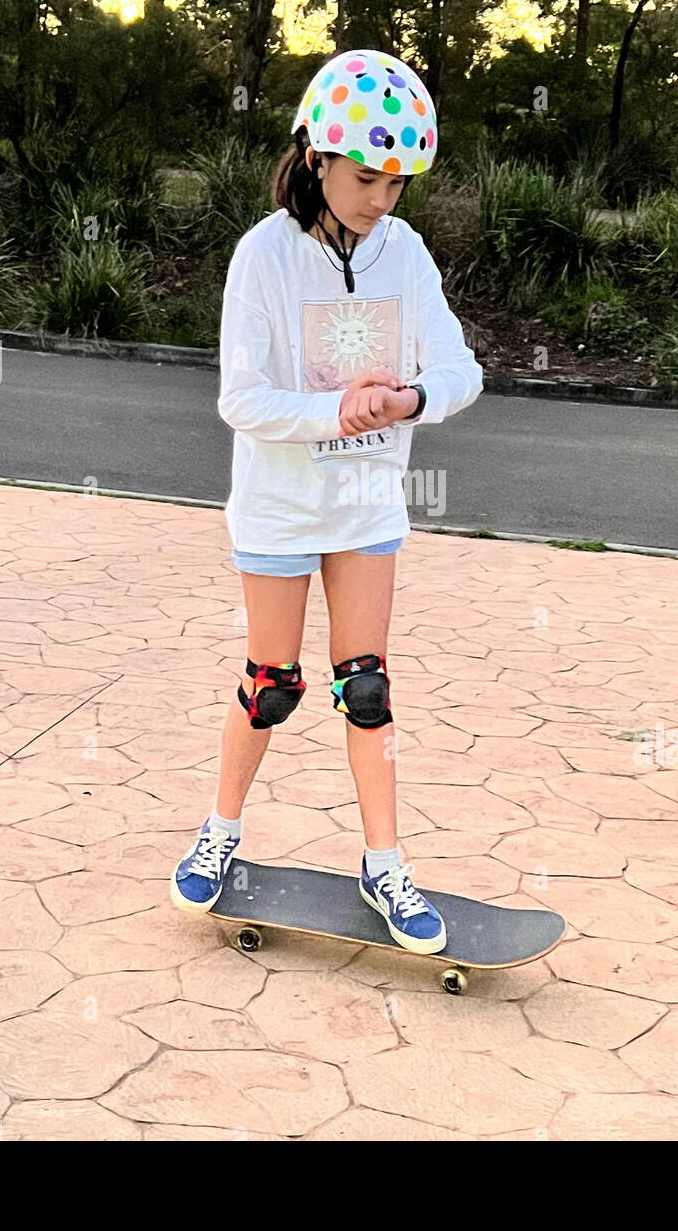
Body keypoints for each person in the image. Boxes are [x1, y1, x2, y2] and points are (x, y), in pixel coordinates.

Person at [170, 49, 484, 954]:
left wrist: (412, 399)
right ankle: (221, 833)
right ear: (316, 155)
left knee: (367, 687)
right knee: (271, 687)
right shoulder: (263, 256)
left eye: (397, 182)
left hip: (366, 508)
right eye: (365, 177)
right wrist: (336, 409)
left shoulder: (407, 254)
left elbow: (461, 368)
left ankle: (384, 866)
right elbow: (241, 399)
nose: (382, 199)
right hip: (276, 505)